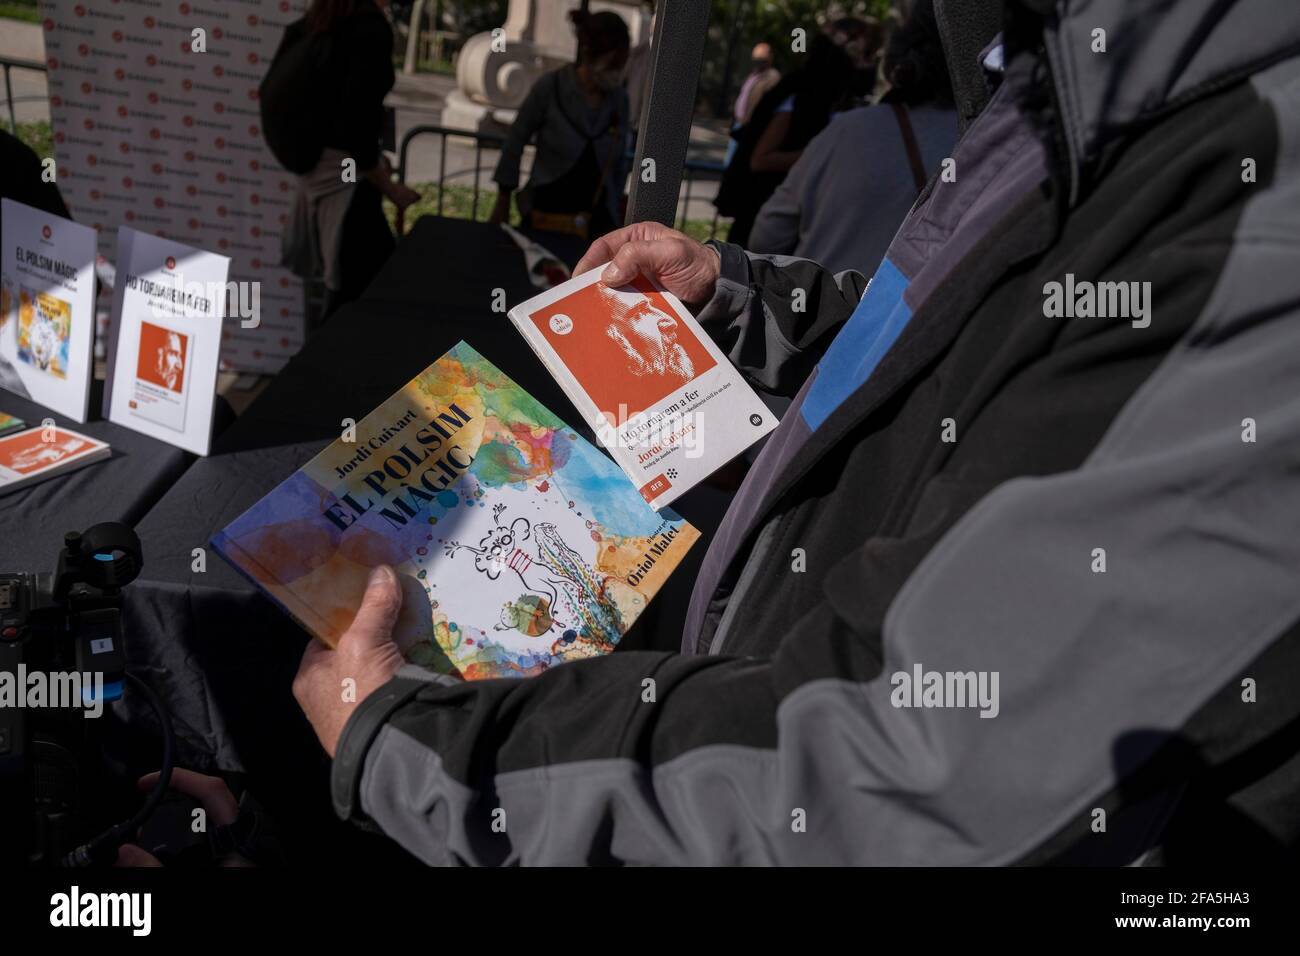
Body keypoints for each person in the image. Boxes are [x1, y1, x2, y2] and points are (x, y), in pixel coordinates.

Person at [294, 0, 1300, 865]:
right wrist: (746, 303)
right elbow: (952, 342)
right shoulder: (1082, 76)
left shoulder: (1244, 184)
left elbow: (904, 764)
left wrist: (417, 749)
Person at [749, 0, 958, 274]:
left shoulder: (848, 128)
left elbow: (769, 231)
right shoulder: (979, 141)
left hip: (817, 306)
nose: (865, 64)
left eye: (871, 55)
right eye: (864, 54)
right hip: (903, 311)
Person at [270, 0, 420, 318]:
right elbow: (358, 123)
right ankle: (325, 364)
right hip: (344, 181)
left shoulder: (323, 19)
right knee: (367, 293)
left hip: (321, 174)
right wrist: (390, 187)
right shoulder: (367, 27)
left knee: (343, 288)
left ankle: (322, 359)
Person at [713, 20, 873, 248]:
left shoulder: (829, 96)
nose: (865, 63)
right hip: (761, 216)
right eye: (861, 54)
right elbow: (761, 159)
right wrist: (821, 153)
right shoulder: (802, 95)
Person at [489, 11, 632, 242]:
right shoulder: (551, 87)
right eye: (612, 65)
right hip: (547, 210)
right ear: (590, 55)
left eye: (622, 65)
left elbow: (619, 161)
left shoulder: (619, 100)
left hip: (597, 220)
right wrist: (503, 197)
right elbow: (515, 140)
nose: (617, 74)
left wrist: (619, 206)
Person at [723, 43, 781, 167]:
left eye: (761, 60)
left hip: (750, 126)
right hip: (739, 123)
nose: (758, 63)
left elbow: (768, 105)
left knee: (737, 163)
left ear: (770, 59)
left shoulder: (772, 77)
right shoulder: (754, 74)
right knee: (728, 161)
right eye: (755, 60)